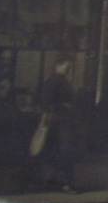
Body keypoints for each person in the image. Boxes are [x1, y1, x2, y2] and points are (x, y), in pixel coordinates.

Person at [32, 57, 79, 192]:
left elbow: (44, 102)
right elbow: (49, 103)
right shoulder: (57, 82)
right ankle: (64, 182)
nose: (67, 69)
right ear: (58, 65)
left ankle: (51, 180)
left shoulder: (52, 82)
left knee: (52, 151)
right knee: (63, 152)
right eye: (65, 66)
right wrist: (64, 106)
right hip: (60, 123)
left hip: (56, 122)